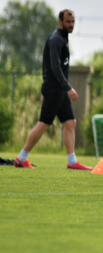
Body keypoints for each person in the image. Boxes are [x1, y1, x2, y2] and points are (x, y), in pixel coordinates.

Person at [14, 9, 92, 171]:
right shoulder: (56, 39)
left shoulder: (62, 38)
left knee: (70, 122)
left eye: (73, 22)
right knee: (44, 124)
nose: (71, 25)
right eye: (68, 22)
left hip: (57, 89)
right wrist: (66, 87)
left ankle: (72, 161)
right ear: (60, 21)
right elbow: (55, 67)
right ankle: (21, 158)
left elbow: (48, 66)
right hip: (56, 88)